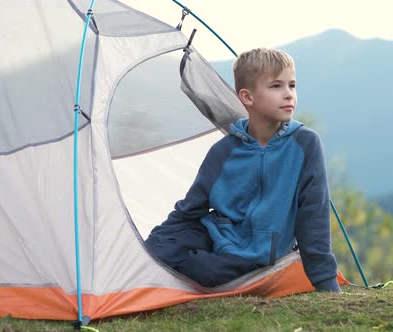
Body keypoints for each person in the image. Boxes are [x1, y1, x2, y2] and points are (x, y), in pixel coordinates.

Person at [145, 48, 340, 292]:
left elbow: (314, 215)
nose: (288, 94)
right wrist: (152, 246)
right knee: (159, 245)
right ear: (247, 97)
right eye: (276, 86)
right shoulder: (223, 151)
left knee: (209, 271)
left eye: (292, 85)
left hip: (259, 250)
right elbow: (190, 208)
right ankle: (180, 260)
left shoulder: (305, 144)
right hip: (219, 234)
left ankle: (203, 267)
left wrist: (326, 282)